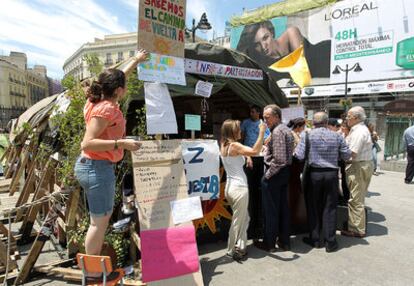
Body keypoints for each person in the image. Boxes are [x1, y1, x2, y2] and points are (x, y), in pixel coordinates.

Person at [73, 50, 148, 256]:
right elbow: (87, 143)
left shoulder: (95, 100)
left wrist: (135, 60)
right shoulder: (106, 108)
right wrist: (122, 143)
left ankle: (93, 269)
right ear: (120, 90)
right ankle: (93, 273)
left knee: (97, 221)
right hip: (97, 167)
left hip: (92, 166)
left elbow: (120, 75)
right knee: (98, 224)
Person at [295, 112, 351, 252]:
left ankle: (315, 239)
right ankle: (330, 242)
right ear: (326, 122)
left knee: (313, 207)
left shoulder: (306, 135)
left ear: (313, 122)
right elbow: (346, 155)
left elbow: (299, 156)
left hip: (314, 174)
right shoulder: (337, 135)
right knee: (330, 207)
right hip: (332, 174)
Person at [220, 119, 266, 260]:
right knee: (238, 221)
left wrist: (246, 156)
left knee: (244, 218)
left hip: (230, 187)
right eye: (239, 129)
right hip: (239, 188)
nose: (241, 131)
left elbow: (242, 153)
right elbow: (255, 150)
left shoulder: (224, 144)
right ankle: (231, 250)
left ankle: (240, 246)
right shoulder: (235, 145)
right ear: (233, 132)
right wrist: (262, 132)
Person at [255, 104, 294, 252]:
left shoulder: (277, 131)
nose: (265, 120)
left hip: (276, 174)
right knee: (283, 208)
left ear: (277, 116)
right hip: (284, 173)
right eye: (263, 117)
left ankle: (269, 243)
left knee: (271, 210)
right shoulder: (284, 129)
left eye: (267, 117)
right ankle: (284, 242)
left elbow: (279, 160)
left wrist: (267, 176)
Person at [236, 20, 331, 79]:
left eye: (265, 38)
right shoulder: (264, 63)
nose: (263, 46)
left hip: (327, 54)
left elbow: (301, 70)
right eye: (257, 44)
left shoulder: (290, 33)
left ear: (272, 33)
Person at [341, 106, 373, 238]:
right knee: (357, 197)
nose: (346, 119)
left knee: (355, 199)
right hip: (361, 165)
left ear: (355, 117)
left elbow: (352, 153)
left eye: (348, 116)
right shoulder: (359, 129)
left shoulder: (359, 131)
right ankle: (357, 226)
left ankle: (357, 229)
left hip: (358, 166)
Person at [241, 105, 270, 240]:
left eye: (253, 111)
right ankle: (251, 221)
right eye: (250, 111)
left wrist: (265, 142)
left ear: (258, 113)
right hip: (248, 156)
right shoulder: (245, 123)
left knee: (259, 187)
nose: (251, 113)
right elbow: (241, 137)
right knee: (250, 187)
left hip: (260, 157)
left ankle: (258, 222)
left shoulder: (263, 124)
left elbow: (268, 137)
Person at [286, 117, 307, 232]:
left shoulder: (297, 134)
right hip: (293, 165)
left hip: (296, 166)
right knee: (294, 189)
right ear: (299, 126)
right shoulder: (292, 134)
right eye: (303, 126)